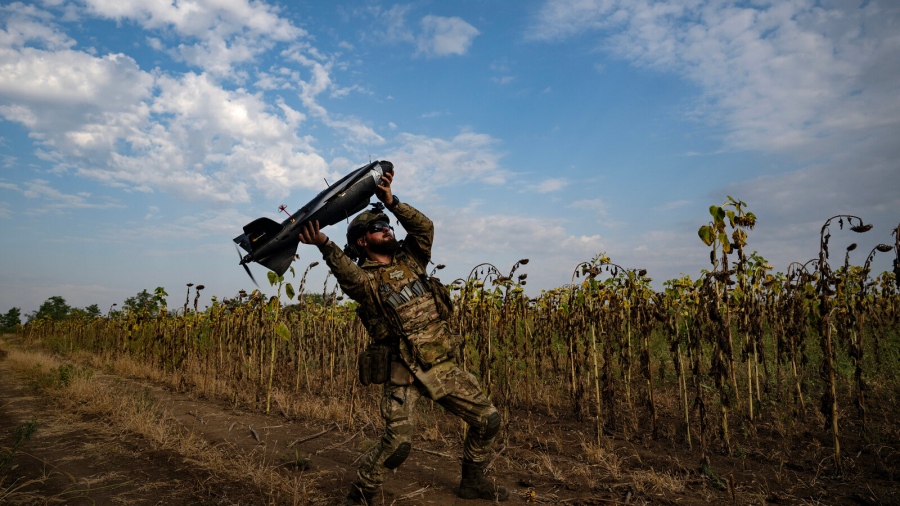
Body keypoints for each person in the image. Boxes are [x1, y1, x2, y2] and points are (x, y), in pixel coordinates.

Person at [298, 164, 509, 505]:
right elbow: (347, 275)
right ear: (363, 240)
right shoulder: (365, 280)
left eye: (387, 226)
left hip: (440, 364)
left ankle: (472, 483)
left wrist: (392, 202)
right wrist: (323, 242)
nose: (387, 230)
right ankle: (361, 494)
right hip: (404, 371)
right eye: (378, 229)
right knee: (398, 445)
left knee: (487, 420)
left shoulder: (412, 260)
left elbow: (425, 228)